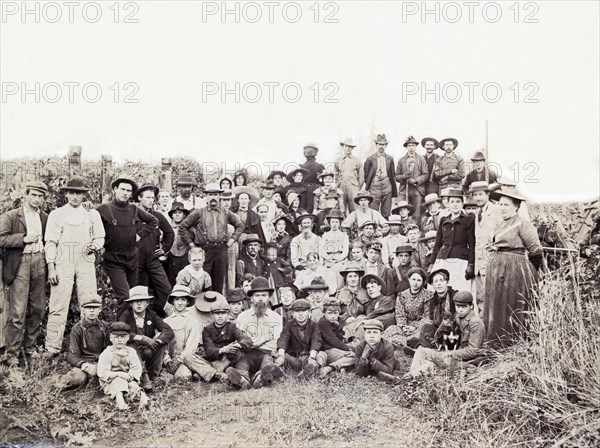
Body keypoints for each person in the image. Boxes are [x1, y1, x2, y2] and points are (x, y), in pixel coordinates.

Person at [43, 177, 105, 356]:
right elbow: (51, 242)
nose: (75, 196)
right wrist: (51, 267)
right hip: (64, 261)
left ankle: (88, 348)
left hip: (85, 260)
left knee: (89, 303)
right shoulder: (57, 214)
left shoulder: (92, 214)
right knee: (58, 304)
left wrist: (95, 245)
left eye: (78, 193)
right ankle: (52, 347)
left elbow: (100, 237)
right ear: (66, 194)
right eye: (71, 192)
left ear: (84, 195)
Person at [484, 188, 543, 349]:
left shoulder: (523, 224)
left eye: (506, 205)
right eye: (500, 204)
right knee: (496, 306)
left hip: (515, 272)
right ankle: (494, 344)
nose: (502, 207)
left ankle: (512, 344)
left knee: (510, 305)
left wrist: (529, 271)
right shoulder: (499, 225)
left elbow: (536, 250)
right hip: (496, 271)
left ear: (516, 206)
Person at [0, 181, 49, 366]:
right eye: (34, 195)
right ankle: (12, 353)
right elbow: (1, 238)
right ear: (25, 195)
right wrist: (23, 239)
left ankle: (30, 348)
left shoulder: (44, 217)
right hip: (20, 263)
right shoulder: (12, 216)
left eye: (40, 196)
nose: (37, 199)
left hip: (40, 262)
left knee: (37, 308)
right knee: (18, 311)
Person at [96, 177, 159, 317]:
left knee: (133, 296)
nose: (125, 193)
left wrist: (140, 235)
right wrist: (99, 244)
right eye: (122, 189)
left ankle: (129, 330)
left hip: (132, 259)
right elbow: (90, 225)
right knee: (124, 296)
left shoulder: (134, 209)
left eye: (129, 191)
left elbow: (153, 221)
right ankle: (120, 331)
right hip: (113, 259)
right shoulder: (103, 209)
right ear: (114, 190)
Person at [178, 183, 244, 294]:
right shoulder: (199, 212)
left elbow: (240, 225)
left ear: (219, 196)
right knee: (202, 281)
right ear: (206, 196)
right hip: (205, 250)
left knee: (218, 283)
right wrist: (191, 244)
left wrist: (231, 240)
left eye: (216, 194)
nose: (213, 197)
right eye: (210, 194)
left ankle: (216, 309)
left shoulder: (225, 212)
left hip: (221, 250)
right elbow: (183, 227)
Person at [409, 291, 485, 376]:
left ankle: (416, 375)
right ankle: (415, 373)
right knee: (421, 352)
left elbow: (473, 351)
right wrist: (445, 324)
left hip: (466, 359)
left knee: (430, 359)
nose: (460, 310)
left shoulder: (475, 323)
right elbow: (437, 335)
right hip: (454, 354)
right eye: (458, 306)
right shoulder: (457, 317)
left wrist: (449, 353)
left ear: (471, 306)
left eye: (464, 307)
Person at [229, 277, 285, 389]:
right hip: (248, 353)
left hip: (266, 353)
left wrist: (251, 341)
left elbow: (275, 341)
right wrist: (263, 339)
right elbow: (240, 339)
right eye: (257, 296)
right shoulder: (243, 316)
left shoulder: (276, 318)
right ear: (251, 298)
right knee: (242, 364)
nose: (260, 299)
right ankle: (242, 379)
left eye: (264, 295)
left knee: (267, 363)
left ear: (269, 298)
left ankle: (261, 377)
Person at [162, 285, 226, 383]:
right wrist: (167, 360)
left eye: (183, 300)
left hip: (188, 357)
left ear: (187, 302)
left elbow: (191, 346)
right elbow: (163, 346)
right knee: (184, 376)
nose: (180, 303)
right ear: (172, 301)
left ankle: (214, 374)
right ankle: (198, 374)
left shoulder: (192, 321)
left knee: (188, 357)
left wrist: (180, 359)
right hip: (172, 359)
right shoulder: (166, 322)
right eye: (177, 299)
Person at [118, 286, 175, 391]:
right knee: (130, 343)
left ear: (147, 302)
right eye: (135, 301)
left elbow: (168, 331)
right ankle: (143, 375)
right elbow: (120, 331)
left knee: (162, 342)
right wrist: (141, 338)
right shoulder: (126, 315)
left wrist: (156, 341)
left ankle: (153, 375)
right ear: (130, 304)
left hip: (148, 351)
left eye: (142, 301)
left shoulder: (151, 315)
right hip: (131, 353)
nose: (139, 304)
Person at [134, 183, 175, 317]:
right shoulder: (132, 215)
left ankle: (167, 316)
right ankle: (141, 321)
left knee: (166, 289)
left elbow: (169, 233)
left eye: (152, 198)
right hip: (136, 261)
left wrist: (164, 249)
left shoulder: (157, 216)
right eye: (147, 197)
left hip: (153, 260)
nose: (151, 200)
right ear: (139, 198)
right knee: (137, 292)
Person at [429, 188, 475, 293]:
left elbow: (472, 244)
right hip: (443, 259)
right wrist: (432, 262)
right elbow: (438, 244)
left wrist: (471, 264)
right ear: (448, 204)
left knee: (459, 288)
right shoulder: (444, 220)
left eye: (458, 202)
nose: (455, 204)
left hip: (461, 260)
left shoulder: (468, 220)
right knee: (440, 288)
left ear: (462, 204)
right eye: (452, 202)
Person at [61, 293, 109, 389]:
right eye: (88, 308)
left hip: (101, 363)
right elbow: (72, 354)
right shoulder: (77, 328)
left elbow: (109, 350)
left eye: (95, 308)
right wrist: (84, 365)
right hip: (84, 363)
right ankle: (57, 383)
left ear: (100, 309)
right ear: (83, 310)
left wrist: (102, 365)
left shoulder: (105, 327)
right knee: (77, 378)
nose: (91, 310)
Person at [97, 321, 149, 410]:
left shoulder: (131, 351)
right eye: (116, 337)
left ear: (128, 338)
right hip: (110, 381)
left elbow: (136, 367)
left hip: (128, 379)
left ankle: (142, 399)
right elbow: (102, 372)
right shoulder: (107, 352)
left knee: (133, 386)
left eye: (123, 337)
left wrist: (131, 377)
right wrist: (119, 374)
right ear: (111, 338)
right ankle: (119, 400)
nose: (120, 340)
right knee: (119, 381)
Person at [469, 181, 502, 317]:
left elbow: (501, 235)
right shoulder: (478, 213)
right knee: (480, 299)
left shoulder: (496, 211)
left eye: (481, 194)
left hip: (491, 262)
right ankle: (483, 332)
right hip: (479, 265)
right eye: (475, 195)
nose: (478, 198)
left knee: (492, 299)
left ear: (487, 194)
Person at [383, 267, 433, 352]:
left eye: (418, 280)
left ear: (423, 282)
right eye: (413, 279)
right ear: (409, 279)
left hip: (420, 325)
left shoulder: (428, 295)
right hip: (406, 326)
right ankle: (402, 344)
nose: (415, 283)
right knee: (391, 329)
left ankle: (405, 344)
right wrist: (403, 326)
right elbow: (399, 314)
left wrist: (414, 327)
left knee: (426, 326)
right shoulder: (402, 295)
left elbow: (427, 316)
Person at [274, 299, 327, 378]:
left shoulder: (314, 325)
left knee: (322, 354)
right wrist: (281, 355)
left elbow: (316, 341)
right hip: (294, 358)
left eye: (303, 311)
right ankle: (279, 372)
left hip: (308, 357)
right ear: (293, 313)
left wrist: (312, 357)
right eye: (297, 311)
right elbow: (283, 339)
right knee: (277, 354)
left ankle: (309, 370)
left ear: (309, 312)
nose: (300, 314)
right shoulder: (289, 324)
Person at [203, 302, 253, 383]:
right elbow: (209, 350)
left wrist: (239, 344)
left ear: (228, 314)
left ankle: (241, 379)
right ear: (212, 315)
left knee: (240, 355)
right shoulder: (207, 330)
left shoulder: (232, 327)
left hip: (231, 358)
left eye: (223, 313)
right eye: (217, 313)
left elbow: (247, 340)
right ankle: (219, 372)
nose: (220, 316)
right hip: (215, 359)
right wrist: (223, 349)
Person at [419, 268, 457, 349]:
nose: (439, 284)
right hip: (439, 329)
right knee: (426, 327)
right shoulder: (433, 301)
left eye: (442, 280)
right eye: (436, 282)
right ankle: (429, 348)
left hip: (453, 329)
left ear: (447, 282)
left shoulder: (455, 296)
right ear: (432, 285)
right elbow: (433, 319)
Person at [318, 300, 356, 376]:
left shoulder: (340, 321)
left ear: (339, 313)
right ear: (324, 313)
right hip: (328, 350)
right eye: (329, 313)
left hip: (340, 350)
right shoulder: (323, 323)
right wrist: (349, 348)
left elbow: (345, 335)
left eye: (335, 313)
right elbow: (333, 340)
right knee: (354, 356)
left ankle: (335, 368)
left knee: (355, 356)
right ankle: (331, 367)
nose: (332, 316)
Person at [395, 136, 429, 221]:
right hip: (404, 189)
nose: (411, 148)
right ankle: (402, 228)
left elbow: (425, 175)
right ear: (406, 147)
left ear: (416, 146)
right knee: (401, 208)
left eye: (413, 145)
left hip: (417, 189)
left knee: (416, 211)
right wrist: (403, 177)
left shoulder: (421, 159)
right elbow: (396, 176)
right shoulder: (401, 160)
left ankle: (414, 228)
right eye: (409, 146)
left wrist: (416, 180)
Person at [364, 134, 397, 218]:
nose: (381, 146)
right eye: (379, 144)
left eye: (383, 144)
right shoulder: (370, 158)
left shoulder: (390, 158)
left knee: (386, 211)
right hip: (375, 186)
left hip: (387, 185)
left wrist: (393, 189)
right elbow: (367, 174)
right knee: (373, 211)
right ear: (376, 145)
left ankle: (385, 229)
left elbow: (392, 174)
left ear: (386, 145)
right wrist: (369, 186)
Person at [335, 137, 365, 213]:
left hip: (353, 186)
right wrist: (338, 185)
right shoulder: (338, 160)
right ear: (343, 147)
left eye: (350, 147)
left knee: (355, 208)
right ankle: (343, 224)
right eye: (346, 146)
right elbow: (336, 175)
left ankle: (355, 224)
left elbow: (361, 177)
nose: (348, 148)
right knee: (341, 208)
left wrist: (357, 187)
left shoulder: (357, 160)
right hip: (341, 186)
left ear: (352, 148)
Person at [166, 202, 191, 286]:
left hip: (185, 257)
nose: (177, 215)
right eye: (175, 213)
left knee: (185, 280)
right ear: (172, 215)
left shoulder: (188, 227)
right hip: (172, 257)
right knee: (172, 280)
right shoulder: (168, 227)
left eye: (179, 213)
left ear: (184, 215)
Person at [299, 143, 326, 213]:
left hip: (304, 190)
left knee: (305, 209)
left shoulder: (302, 167)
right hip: (316, 189)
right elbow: (323, 182)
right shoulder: (319, 166)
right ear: (315, 153)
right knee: (316, 209)